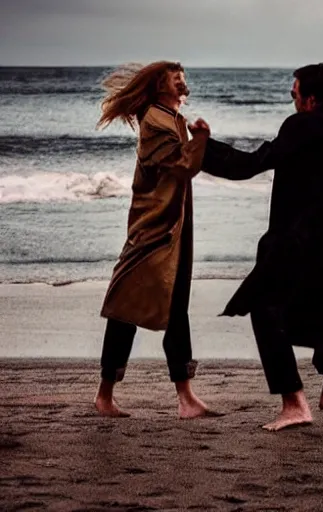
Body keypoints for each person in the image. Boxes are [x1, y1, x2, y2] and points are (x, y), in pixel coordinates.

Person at [193, 63, 323, 431]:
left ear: (310, 99)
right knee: (310, 302)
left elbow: (253, 164)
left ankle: (294, 403)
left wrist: (202, 148)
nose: (292, 97)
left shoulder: (301, 124)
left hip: (294, 240)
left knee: (264, 307)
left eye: (295, 92)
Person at [94, 61, 216, 419]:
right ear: (160, 86)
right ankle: (105, 396)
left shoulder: (171, 118)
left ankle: (186, 397)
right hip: (152, 231)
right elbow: (181, 167)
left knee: (176, 307)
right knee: (126, 310)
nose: (182, 80)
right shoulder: (157, 122)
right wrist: (203, 141)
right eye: (174, 77)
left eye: (182, 76)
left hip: (170, 228)